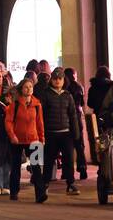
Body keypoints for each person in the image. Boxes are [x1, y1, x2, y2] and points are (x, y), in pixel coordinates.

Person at [5, 78, 47, 203]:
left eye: (31, 87)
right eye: (26, 87)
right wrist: (12, 135)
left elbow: (40, 123)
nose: (29, 89)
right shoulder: (15, 105)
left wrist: (42, 138)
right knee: (16, 166)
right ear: (21, 89)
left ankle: (40, 194)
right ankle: (14, 192)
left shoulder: (37, 105)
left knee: (36, 167)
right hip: (17, 141)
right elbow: (8, 122)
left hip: (34, 139)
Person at [41, 67, 79, 195]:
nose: (57, 81)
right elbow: (42, 115)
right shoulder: (46, 95)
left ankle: (71, 183)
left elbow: (73, 115)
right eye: (55, 79)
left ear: (64, 80)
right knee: (49, 159)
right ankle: (45, 183)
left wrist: (76, 133)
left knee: (68, 159)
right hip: (51, 132)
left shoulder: (67, 96)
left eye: (60, 79)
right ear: (51, 80)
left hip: (66, 132)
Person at [64, 67, 89, 180]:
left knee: (66, 146)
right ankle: (82, 168)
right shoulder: (79, 87)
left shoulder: (64, 87)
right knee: (79, 145)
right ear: (74, 75)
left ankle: (66, 171)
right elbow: (82, 103)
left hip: (66, 118)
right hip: (77, 116)